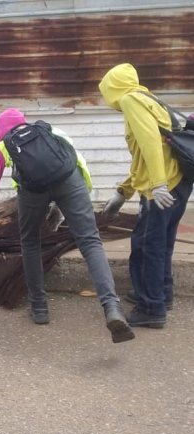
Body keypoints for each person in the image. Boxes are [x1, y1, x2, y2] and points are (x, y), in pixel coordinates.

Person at [0, 108, 135, 344]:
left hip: (32, 191)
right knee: (90, 241)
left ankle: (39, 308)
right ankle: (112, 307)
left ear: (0, 131)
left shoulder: (4, 146)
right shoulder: (51, 131)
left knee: (31, 242)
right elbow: (79, 164)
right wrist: (69, 204)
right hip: (71, 181)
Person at [99, 63, 193, 329]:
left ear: (112, 86)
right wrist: (123, 191)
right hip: (179, 182)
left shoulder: (131, 100)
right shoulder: (148, 98)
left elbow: (151, 141)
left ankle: (151, 308)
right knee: (161, 242)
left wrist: (158, 185)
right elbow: (143, 156)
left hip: (162, 188)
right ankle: (161, 294)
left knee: (146, 246)